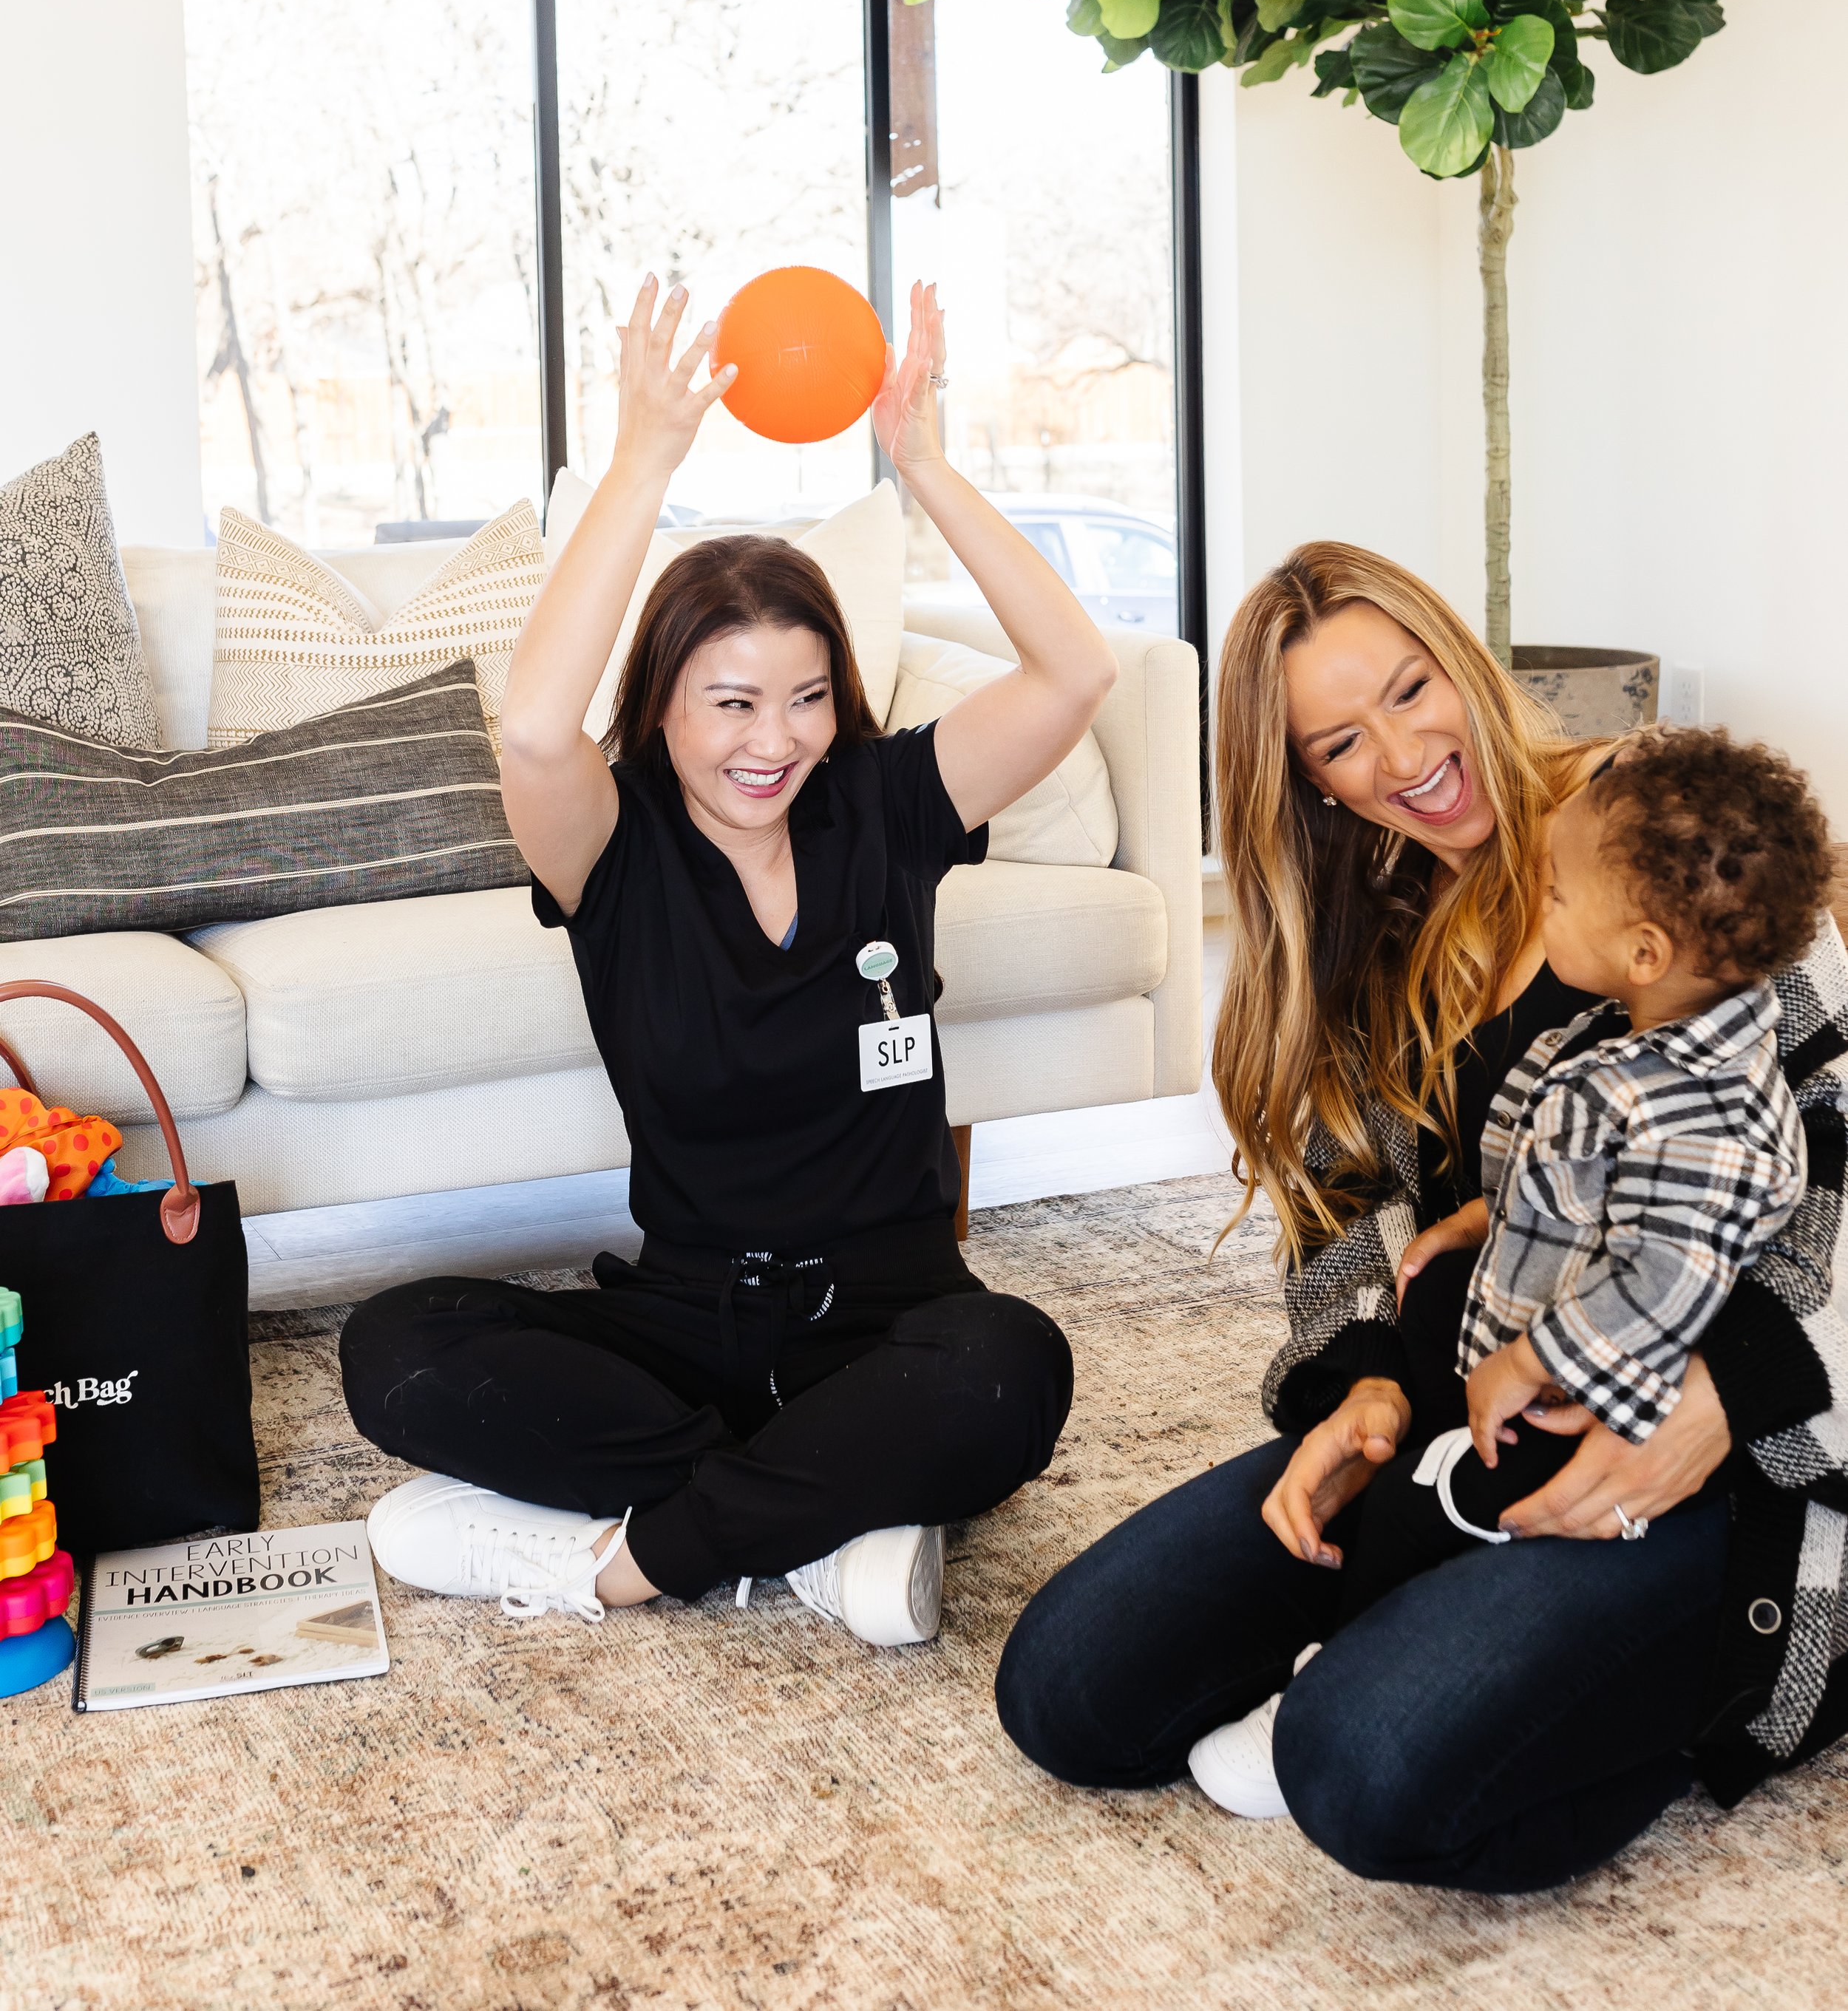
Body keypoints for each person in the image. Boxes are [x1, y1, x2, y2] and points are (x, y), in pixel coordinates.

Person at [995, 542, 1848, 1891]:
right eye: (1341, 740)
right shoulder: (1361, 927)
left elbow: (1823, 1153)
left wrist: (1726, 1392)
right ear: (1306, 779)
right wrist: (1367, 1386)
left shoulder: (1663, 839)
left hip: (1715, 1450)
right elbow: (1343, 1216)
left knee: (1357, 1763)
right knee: (1070, 1690)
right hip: (1465, 1414)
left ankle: (1749, 1677)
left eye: (1410, 688)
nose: (1402, 755)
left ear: (1460, 660)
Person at [343, 276, 1113, 1647]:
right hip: (687, 1317)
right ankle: (818, 1528)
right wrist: (643, 461)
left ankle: (639, 1553)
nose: (776, 739)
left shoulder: (888, 801)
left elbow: (1072, 673)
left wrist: (925, 466)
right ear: (663, 706)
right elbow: (535, 730)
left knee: (1012, 1368)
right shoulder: (612, 845)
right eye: (734, 701)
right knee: (394, 1347)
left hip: (888, 1315)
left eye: (807, 697)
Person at [1189, 721, 1826, 1817]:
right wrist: (1488, 1216)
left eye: (1560, 898)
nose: (1543, 905)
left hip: (1588, 1402)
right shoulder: (1632, 1037)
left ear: (1645, 950)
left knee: (1418, 1522)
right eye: (1339, 741)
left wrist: (1531, 1362)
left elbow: (1660, 1280)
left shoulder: (1711, 1103)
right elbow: (1585, 1177)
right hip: (1508, 1322)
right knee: (1080, 1687)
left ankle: (1331, 1673)